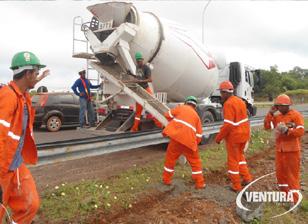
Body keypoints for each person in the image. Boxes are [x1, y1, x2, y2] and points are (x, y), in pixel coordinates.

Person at [0, 51, 49, 223]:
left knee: (30, 204)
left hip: (16, 165)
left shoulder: (23, 96)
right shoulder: (8, 96)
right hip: (2, 169)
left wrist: (41, 78)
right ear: (27, 74)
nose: (36, 77)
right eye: (35, 73)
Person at [264, 94, 304, 204]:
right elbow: (267, 126)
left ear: (288, 106)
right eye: (278, 106)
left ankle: (295, 202)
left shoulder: (296, 115)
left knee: (292, 176)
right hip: (280, 151)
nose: (279, 108)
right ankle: (286, 197)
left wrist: (287, 131)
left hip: (292, 151)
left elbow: (300, 131)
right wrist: (270, 113)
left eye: (281, 106)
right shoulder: (277, 117)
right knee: (280, 176)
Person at [215, 81, 252, 192]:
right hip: (244, 135)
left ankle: (236, 186)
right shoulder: (240, 101)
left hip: (234, 137)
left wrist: (219, 138)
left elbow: (228, 125)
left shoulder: (228, 104)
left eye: (221, 93)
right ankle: (247, 178)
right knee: (240, 158)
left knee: (232, 161)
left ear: (225, 92)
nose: (221, 95)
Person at [162, 96, 205, 189]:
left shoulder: (180, 108)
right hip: (189, 142)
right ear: (195, 106)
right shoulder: (197, 117)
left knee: (170, 159)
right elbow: (199, 135)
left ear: (186, 103)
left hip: (176, 139)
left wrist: (174, 124)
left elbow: (167, 115)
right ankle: (199, 183)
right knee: (195, 162)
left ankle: (166, 180)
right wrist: (194, 145)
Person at [130, 52, 162, 132]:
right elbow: (138, 77)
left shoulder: (146, 68)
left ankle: (160, 125)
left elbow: (150, 79)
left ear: (142, 60)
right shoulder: (137, 67)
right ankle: (134, 128)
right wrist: (131, 74)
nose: (139, 62)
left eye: (140, 60)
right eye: (138, 61)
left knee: (152, 108)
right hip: (139, 91)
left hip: (146, 89)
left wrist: (140, 81)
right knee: (138, 112)